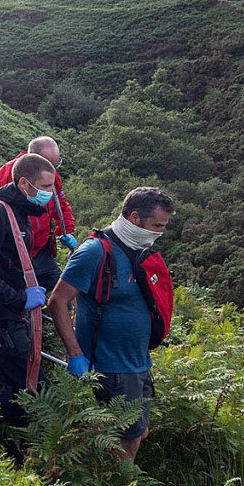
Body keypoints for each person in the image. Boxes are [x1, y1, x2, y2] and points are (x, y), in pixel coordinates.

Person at [47, 186, 175, 465]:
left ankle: (107, 482)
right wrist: (75, 354)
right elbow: (58, 301)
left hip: (138, 363)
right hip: (111, 366)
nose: (158, 234)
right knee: (126, 440)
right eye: (156, 226)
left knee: (139, 433)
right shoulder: (95, 252)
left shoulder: (138, 250)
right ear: (134, 217)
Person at [0, 153, 56, 438]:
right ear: (25, 184)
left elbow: (10, 262)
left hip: (11, 311)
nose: (50, 194)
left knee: (24, 388)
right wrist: (19, 298)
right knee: (32, 390)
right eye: (45, 187)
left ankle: (5, 442)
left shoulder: (21, 214)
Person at [0, 136, 76, 292]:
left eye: (55, 165)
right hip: (15, 257)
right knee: (23, 304)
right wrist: (2, 252)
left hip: (41, 252)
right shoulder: (4, 176)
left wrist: (67, 230)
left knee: (63, 296)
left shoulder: (50, 175)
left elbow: (61, 205)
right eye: (49, 165)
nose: (53, 169)